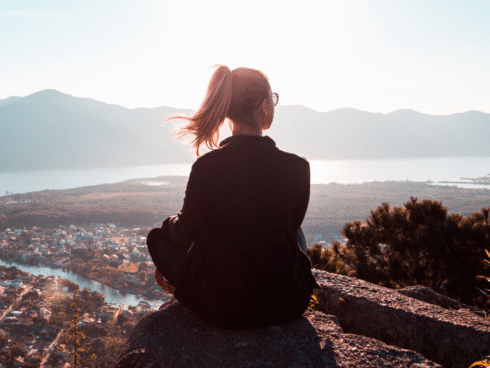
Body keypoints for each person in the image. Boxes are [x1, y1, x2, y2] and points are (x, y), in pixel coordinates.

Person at [146, 65, 319, 329]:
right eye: (272, 99)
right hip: (288, 302)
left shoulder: (207, 167)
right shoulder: (298, 167)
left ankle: (193, 287)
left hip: (224, 308)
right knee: (296, 233)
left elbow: (184, 232)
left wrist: (170, 222)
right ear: (263, 105)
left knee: (157, 238)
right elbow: (290, 228)